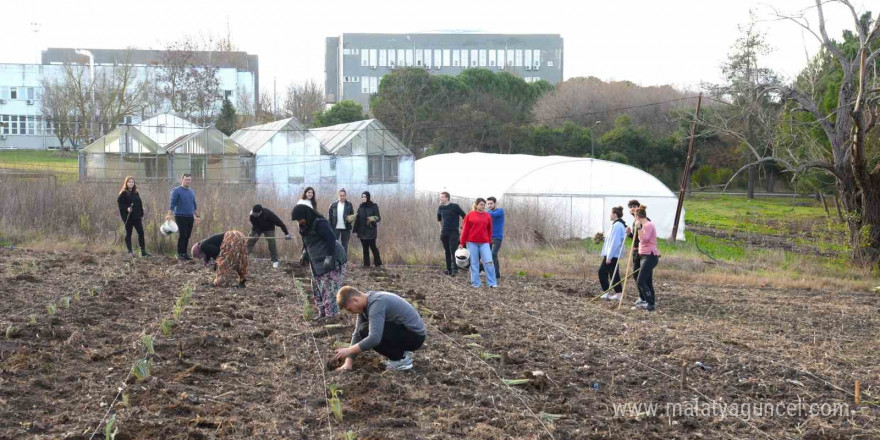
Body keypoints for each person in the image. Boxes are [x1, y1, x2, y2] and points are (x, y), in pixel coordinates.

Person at [333, 286, 426, 372]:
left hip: (415, 336)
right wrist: (348, 362)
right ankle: (402, 354)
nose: (351, 312)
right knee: (363, 329)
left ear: (355, 300)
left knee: (367, 331)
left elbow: (374, 338)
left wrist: (349, 350)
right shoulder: (366, 303)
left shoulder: (376, 303)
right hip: (407, 332)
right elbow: (357, 333)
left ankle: (401, 359)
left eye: (349, 309)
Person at [292, 204, 348, 320]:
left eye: (300, 218)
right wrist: (305, 254)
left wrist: (329, 257)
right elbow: (307, 243)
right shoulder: (304, 227)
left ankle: (331, 315)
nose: (299, 221)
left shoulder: (320, 223)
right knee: (317, 287)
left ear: (306, 215)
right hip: (316, 260)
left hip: (333, 257)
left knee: (329, 287)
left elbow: (331, 239)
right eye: (297, 220)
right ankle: (322, 312)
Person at [459, 198, 497, 288]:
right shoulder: (469, 215)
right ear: (476, 205)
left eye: (484, 204)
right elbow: (465, 230)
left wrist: (489, 241)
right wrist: (462, 242)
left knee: (489, 262)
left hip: (484, 242)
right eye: (481, 204)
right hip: (471, 242)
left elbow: (489, 230)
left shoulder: (487, 216)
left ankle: (492, 283)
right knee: (474, 263)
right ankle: (476, 283)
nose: (483, 206)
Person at [166, 173, 200, 261]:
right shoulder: (176, 190)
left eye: (189, 180)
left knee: (187, 235)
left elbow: (194, 204)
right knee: (183, 235)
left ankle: (184, 253)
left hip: (190, 217)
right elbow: (172, 203)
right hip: (180, 216)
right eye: (186, 179)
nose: (188, 181)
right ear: (182, 180)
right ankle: (180, 253)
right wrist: (169, 214)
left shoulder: (191, 191)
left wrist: (197, 215)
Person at [247, 204, 291, 269]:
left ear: (260, 212)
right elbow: (255, 225)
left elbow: (280, 223)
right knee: (250, 241)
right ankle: (243, 257)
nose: (255, 215)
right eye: (254, 213)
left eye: (256, 214)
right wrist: (256, 233)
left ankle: (275, 261)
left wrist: (286, 233)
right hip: (257, 228)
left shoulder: (268, 214)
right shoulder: (252, 215)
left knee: (272, 243)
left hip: (269, 228)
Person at [625, 199, 651, 308]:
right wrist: (630, 234)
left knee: (643, 277)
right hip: (636, 251)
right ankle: (642, 297)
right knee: (636, 275)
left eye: (634, 206)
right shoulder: (635, 221)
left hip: (644, 252)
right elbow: (637, 238)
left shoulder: (645, 220)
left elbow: (645, 238)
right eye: (630, 207)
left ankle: (647, 299)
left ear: (639, 207)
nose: (632, 208)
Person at [633, 205, 659, 312]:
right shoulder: (646, 225)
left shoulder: (647, 225)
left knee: (641, 281)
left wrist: (638, 227)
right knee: (647, 281)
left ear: (638, 217)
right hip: (644, 256)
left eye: (635, 216)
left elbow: (644, 239)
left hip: (649, 256)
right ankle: (651, 302)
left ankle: (649, 303)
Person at [117, 176, 149, 257]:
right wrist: (127, 208)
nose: (131, 183)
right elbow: (120, 204)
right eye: (129, 182)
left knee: (141, 233)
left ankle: (143, 251)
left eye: (132, 182)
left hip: (137, 217)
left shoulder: (136, 193)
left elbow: (139, 204)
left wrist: (141, 213)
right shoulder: (123, 193)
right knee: (129, 234)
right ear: (126, 183)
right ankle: (130, 251)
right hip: (128, 217)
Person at [599, 206, 626, 300]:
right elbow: (611, 239)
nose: (609, 215)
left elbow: (615, 242)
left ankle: (607, 293)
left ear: (615, 214)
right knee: (613, 273)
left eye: (611, 213)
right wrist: (603, 239)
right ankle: (618, 294)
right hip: (612, 254)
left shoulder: (618, 226)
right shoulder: (616, 225)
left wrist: (609, 256)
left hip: (612, 254)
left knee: (602, 272)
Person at [436, 192, 466, 276]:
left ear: (447, 198)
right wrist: (441, 228)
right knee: (447, 252)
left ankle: (455, 270)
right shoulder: (440, 207)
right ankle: (448, 270)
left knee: (453, 251)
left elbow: (464, 216)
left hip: (454, 232)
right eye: (440, 197)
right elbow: (439, 219)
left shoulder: (455, 206)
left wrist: (462, 227)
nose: (440, 198)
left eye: (442, 197)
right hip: (444, 232)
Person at [353, 191, 382, 268]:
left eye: (365, 197)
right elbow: (358, 219)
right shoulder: (360, 207)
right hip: (362, 231)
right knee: (365, 249)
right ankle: (366, 264)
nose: (363, 198)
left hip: (371, 231)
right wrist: (356, 229)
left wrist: (373, 219)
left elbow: (378, 218)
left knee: (373, 247)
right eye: (362, 197)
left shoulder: (373, 206)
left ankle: (378, 264)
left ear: (368, 197)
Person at [328, 188, 355, 255]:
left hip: (346, 228)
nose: (342, 197)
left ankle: (343, 262)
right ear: (338, 196)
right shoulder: (333, 205)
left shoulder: (349, 205)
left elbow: (352, 215)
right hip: (335, 228)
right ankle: (334, 261)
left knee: (344, 245)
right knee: (334, 244)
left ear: (345, 196)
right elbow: (330, 218)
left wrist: (350, 219)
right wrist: (330, 228)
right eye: (341, 195)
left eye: (344, 195)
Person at [486, 197, 505, 280]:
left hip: (497, 237)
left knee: (493, 254)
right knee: (487, 256)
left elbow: (493, 215)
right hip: (488, 237)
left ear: (495, 203)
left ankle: (497, 274)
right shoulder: (488, 212)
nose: (489, 205)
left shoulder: (500, 211)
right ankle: (488, 271)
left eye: (491, 203)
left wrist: (481, 212)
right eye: (488, 204)